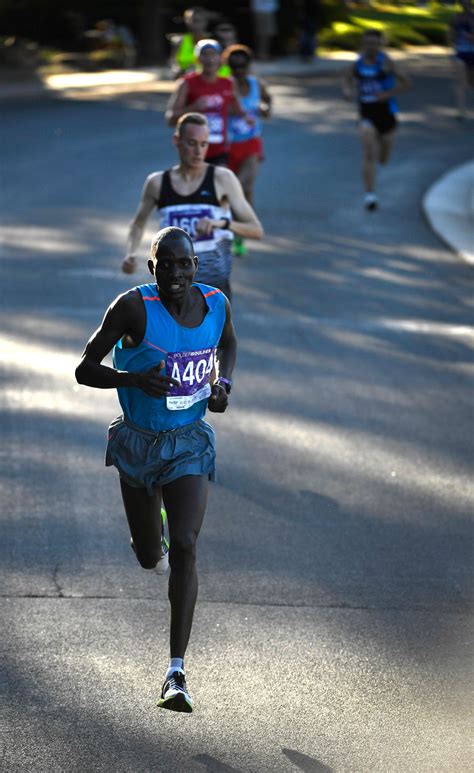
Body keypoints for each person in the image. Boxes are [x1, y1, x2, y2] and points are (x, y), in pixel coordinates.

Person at [76, 226, 237, 713]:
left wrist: (221, 382)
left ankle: (176, 672)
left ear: (195, 266)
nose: (176, 273)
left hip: (189, 441)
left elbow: (227, 344)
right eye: (165, 264)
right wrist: (131, 379)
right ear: (152, 268)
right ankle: (153, 539)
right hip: (138, 444)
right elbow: (85, 368)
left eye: (184, 264)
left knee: (187, 545)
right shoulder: (131, 307)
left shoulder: (215, 304)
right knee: (151, 555)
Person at [121, 112, 263, 300]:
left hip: (212, 292)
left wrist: (221, 223)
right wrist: (130, 253)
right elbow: (138, 223)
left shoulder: (222, 179)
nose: (198, 152)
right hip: (171, 287)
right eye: (191, 143)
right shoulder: (158, 183)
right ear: (177, 140)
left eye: (204, 144)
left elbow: (256, 230)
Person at [341, 29, 411, 211]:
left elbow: (407, 84)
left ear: (380, 45)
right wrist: (347, 91)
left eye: (374, 43)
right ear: (362, 44)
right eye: (367, 43)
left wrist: (387, 93)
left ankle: (381, 157)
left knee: (384, 157)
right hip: (367, 113)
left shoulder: (386, 63)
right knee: (368, 153)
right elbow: (346, 79)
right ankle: (370, 196)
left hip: (387, 113)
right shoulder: (357, 64)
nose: (371, 47)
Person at [166, 38, 251, 166]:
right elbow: (170, 119)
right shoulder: (186, 83)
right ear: (197, 59)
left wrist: (247, 116)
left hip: (220, 151)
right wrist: (193, 107)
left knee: (218, 184)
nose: (209, 59)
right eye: (204, 54)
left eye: (213, 54)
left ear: (220, 58)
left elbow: (239, 110)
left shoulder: (228, 83)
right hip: (193, 153)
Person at [223, 44, 272, 256]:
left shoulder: (256, 84)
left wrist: (265, 109)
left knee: (243, 186)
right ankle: (241, 229)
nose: (238, 70)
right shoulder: (224, 86)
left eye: (242, 65)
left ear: (249, 65)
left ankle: (239, 236)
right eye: (234, 66)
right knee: (240, 192)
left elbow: (268, 103)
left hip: (251, 143)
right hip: (228, 146)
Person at [168, 6, 210, 79]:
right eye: (192, 20)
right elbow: (174, 63)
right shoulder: (179, 41)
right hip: (186, 81)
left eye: (198, 20)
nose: (195, 24)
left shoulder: (213, 41)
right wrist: (178, 71)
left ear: (205, 22)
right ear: (186, 21)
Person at [449, 0, 474, 120]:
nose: (465, 4)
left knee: (471, 82)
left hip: (473, 52)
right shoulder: (456, 17)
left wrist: (471, 38)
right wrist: (451, 39)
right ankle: (461, 110)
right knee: (460, 81)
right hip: (460, 52)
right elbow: (451, 33)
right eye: (463, 2)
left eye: (468, 2)